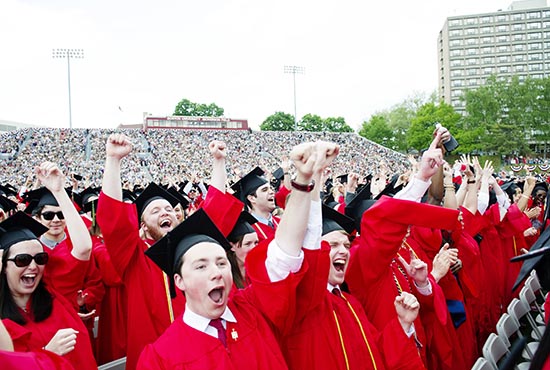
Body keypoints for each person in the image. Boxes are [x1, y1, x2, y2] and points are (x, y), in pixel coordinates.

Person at [137, 140, 330, 369]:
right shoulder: (161, 357)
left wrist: (303, 182)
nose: (216, 272)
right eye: (201, 266)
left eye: (221, 263)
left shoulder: (255, 310)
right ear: (179, 281)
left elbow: (285, 255)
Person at [0, 212, 96, 369]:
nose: (33, 266)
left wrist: (59, 192)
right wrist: (47, 353)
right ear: (3, 266)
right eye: (22, 260)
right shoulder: (2, 325)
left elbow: (84, 249)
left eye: (40, 258)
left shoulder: (54, 293)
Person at [232, 167, 279, 242]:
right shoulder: (247, 230)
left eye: (271, 188)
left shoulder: (281, 221)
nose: (272, 192)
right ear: (252, 198)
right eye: (264, 190)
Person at [226, 211, 259, 289]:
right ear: (232, 246)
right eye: (248, 244)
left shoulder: (260, 273)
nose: (253, 248)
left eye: (256, 243)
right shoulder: (226, 278)